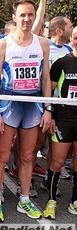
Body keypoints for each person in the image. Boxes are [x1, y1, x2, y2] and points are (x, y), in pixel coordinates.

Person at [0, 0, 52, 222]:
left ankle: (24, 199)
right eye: (22, 15)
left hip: (33, 104)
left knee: (27, 156)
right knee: (3, 155)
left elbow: (45, 78)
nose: (27, 19)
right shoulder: (4, 44)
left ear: (35, 16)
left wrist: (48, 109)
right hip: (9, 105)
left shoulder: (42, 43)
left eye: (30, 15)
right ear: (14, 17)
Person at [43, 25, 77, 219]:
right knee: (57, 162)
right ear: (71, 39)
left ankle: (75, 201)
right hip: (63, 119)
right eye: (76, 37)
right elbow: (50, 89)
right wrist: (52, 114)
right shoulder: (61, 62)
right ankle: (51, 201)